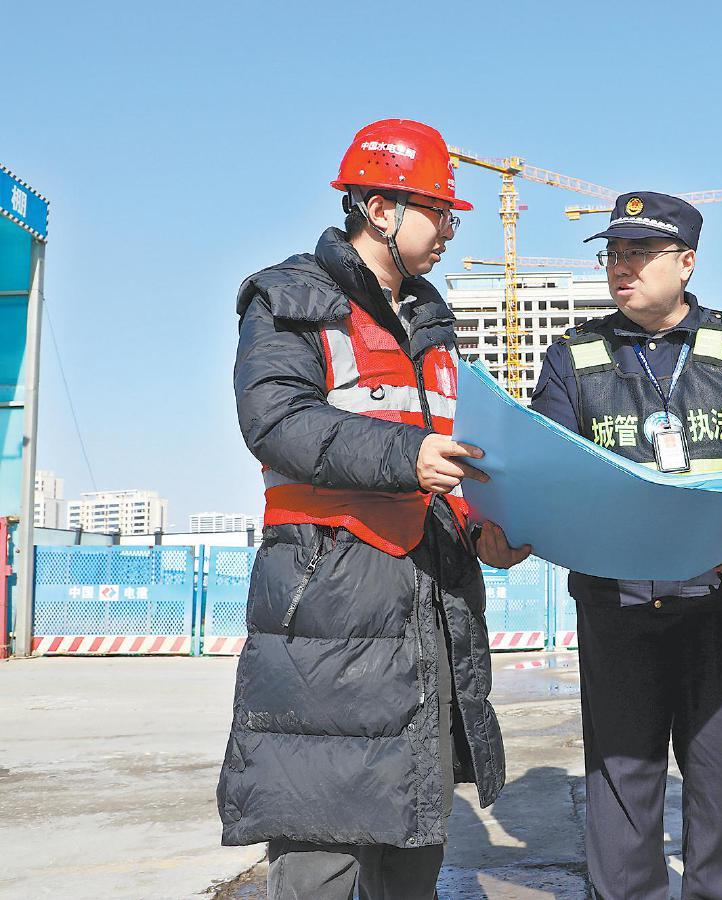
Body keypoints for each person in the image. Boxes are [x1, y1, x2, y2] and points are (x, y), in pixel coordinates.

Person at [216, 118, 528, 899]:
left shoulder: (432, 325)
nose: (450, 231)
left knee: (412, 850)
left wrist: (483, 531)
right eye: (440, 212)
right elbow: (277, 421)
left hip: (428, 612)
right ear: (381, 210)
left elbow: (449, 466)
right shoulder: (292, 299)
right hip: (332, 611)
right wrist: (406, 456)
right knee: (322, 852)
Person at [531, 191, 722, 899]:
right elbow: (545, 473)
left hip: (719, 603)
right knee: (621, 785)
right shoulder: (574, 359)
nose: (621, 266)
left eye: (640, 253)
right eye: (613, 253)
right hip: (616, 607)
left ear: (686, 263)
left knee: (719, 785)